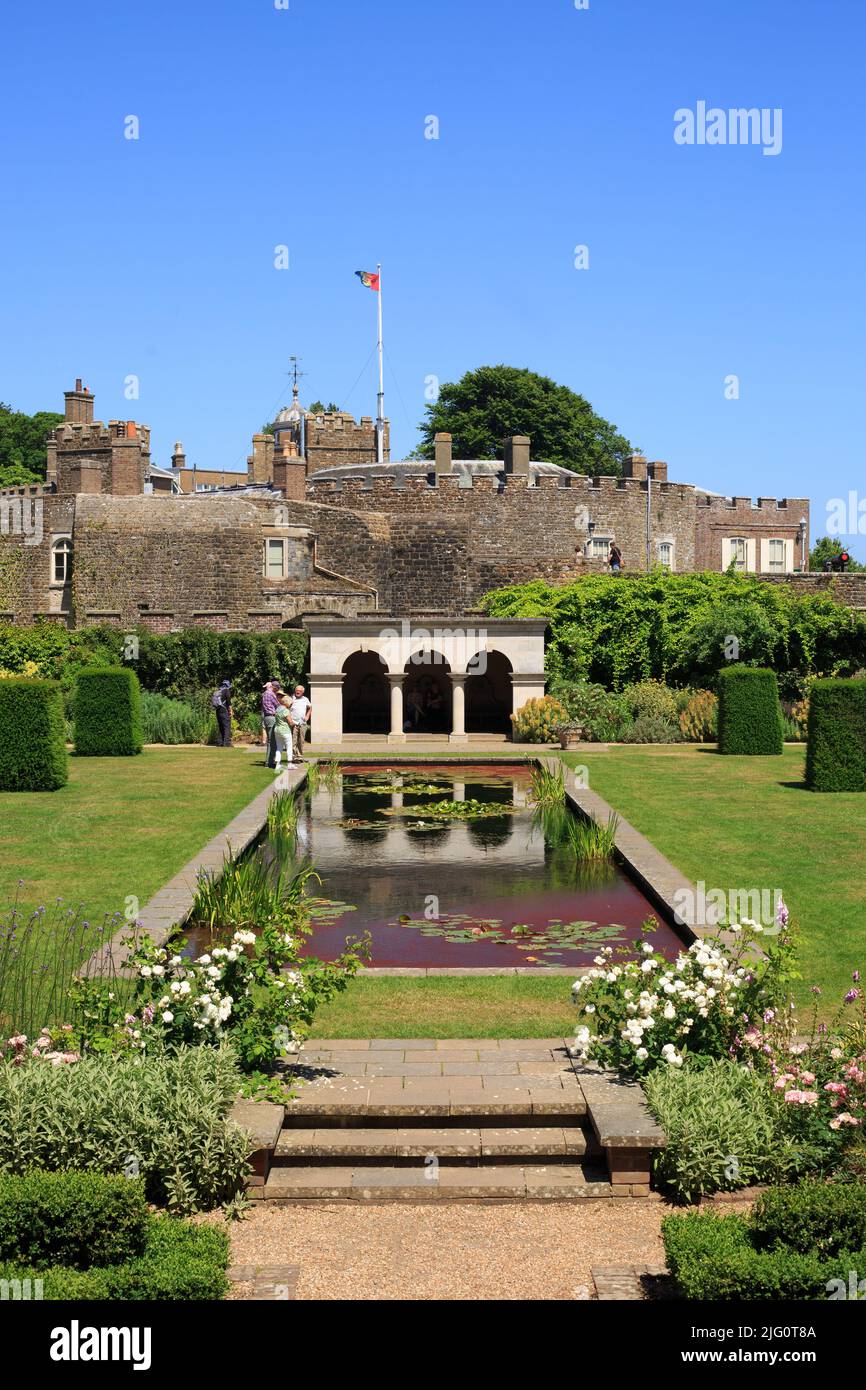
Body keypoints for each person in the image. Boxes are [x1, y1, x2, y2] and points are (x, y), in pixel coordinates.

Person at [261, 679, 282, 768]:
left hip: (266, 717)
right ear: (274, 687)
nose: (277, 690)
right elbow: (278, 705)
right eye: (277, 689)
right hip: (271, 717)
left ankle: (269, 761)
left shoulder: (264, 693)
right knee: (272, 741)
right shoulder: (271, 694)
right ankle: (269, 762)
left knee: (271, 741)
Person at [289, 683, 312, 761]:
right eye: (296, 690)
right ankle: (294, 756)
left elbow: (310, 707)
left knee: (301, 740)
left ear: (302, 692)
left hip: (302, 723)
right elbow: (286, 708)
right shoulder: (291, 698)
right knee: (293, 740)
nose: (297, 692)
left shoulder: (305, 699)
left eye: (299, 691)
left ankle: (300, 755)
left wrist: (307, 716)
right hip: (293, 723)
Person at [272, 694, 293, 772]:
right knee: (289, 747)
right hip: (285, 731)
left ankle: (277, 765)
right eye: (290, 703)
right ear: (287, 703)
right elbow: (290, 722)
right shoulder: (286, 710)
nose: (291, 704)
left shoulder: (277, 709)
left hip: (277, 730)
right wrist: (296, 723)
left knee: (279, 748)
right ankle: (290, 764)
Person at [211, 679, 232, 746]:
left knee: (221, 726)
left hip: (218, 710)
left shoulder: (218, 691)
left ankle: (220, 742)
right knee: (227, 726)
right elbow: (228, 702)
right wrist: (231, 711)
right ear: (228, 685)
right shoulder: (226, 691)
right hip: (224, 710)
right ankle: (226, 743)